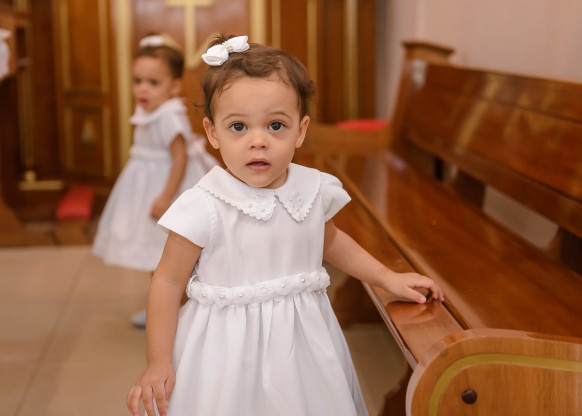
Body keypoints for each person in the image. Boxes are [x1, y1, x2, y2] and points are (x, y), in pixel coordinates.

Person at [126, 34, 444, 416]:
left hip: (304, 342)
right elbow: (167, 281)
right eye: (238, 127)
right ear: (212, 133)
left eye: (276, 125)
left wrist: (387, 278)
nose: (258, 141)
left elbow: (331, 242)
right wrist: (158, 360)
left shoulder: (312, 189)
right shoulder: (204, 204)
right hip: (226, 350)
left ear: (301, 130)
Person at [92, 33, 218, 327]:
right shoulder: (149, 112)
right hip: (144, 187)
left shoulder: (169, 116)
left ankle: (175, 310)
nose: (142, 89)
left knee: (170, 254)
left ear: (174, 86)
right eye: (137, 81)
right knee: (155, 253)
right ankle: (160, 309)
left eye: (153, 82)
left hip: (167, 187)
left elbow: (180, 158)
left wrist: (166, 196)